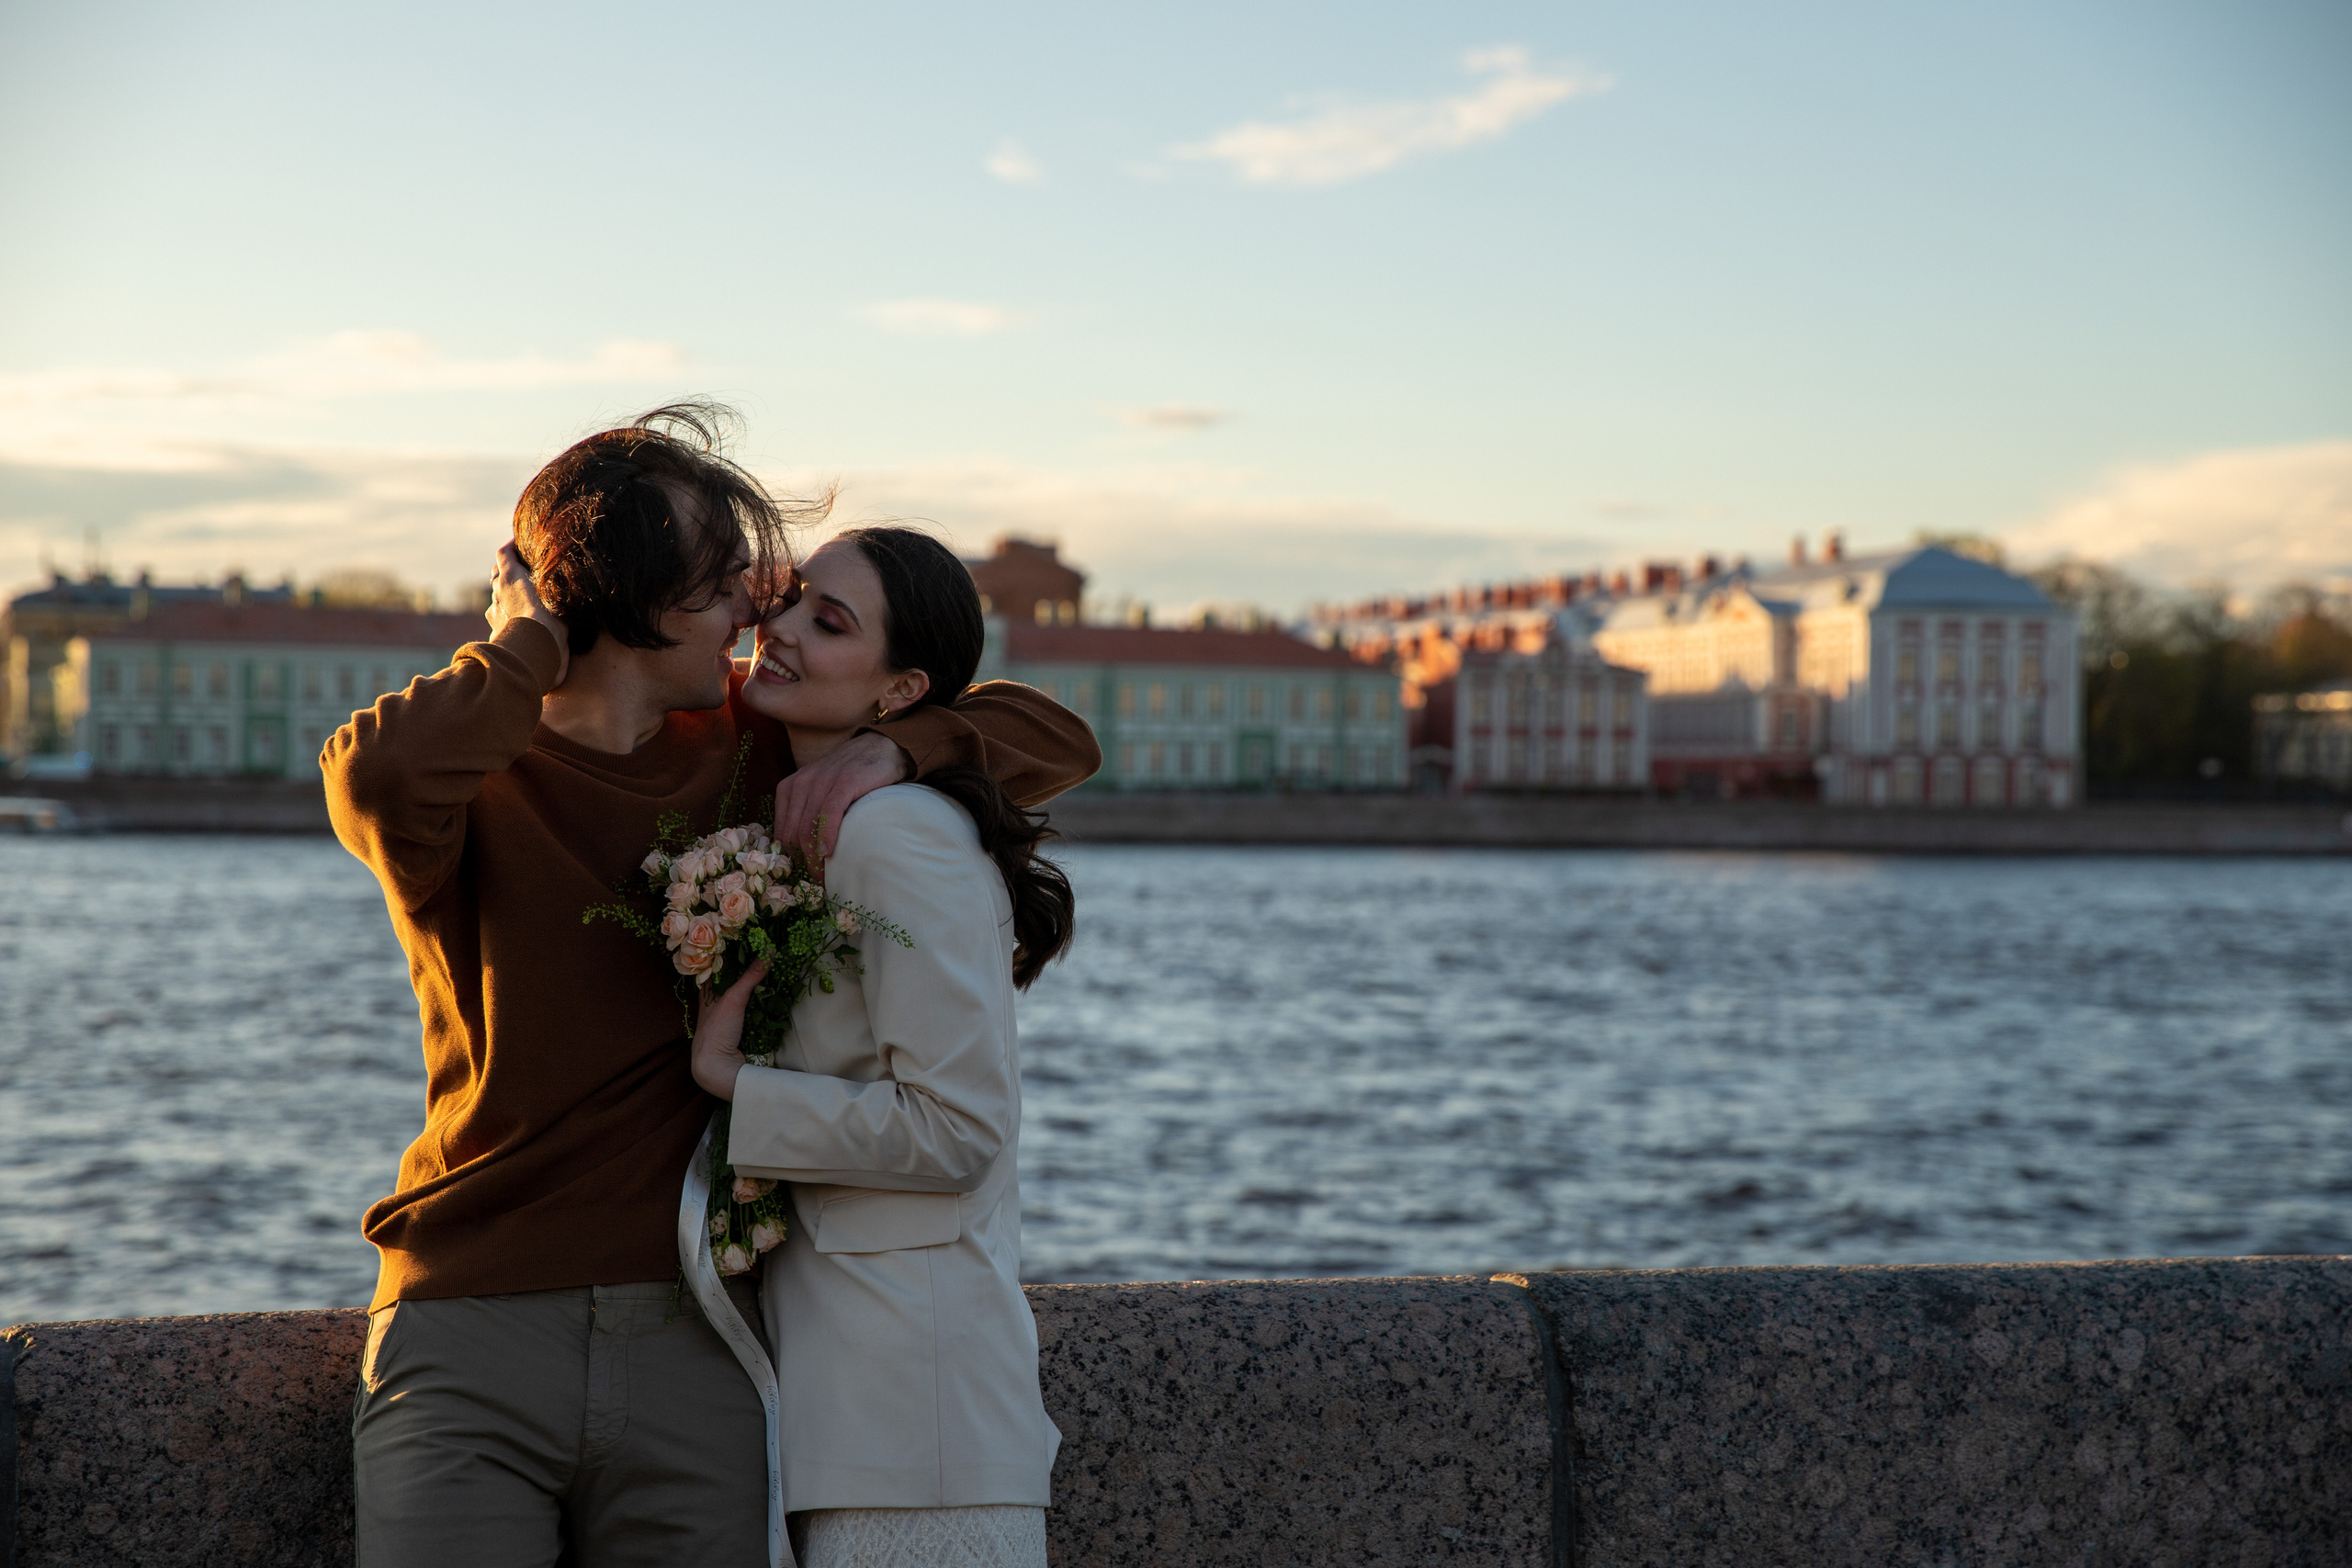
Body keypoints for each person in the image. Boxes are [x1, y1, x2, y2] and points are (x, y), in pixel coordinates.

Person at [328, 407, 1097, 1568]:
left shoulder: (748, 746)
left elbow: (1053, 737)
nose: (752, 605)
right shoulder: (469, 779)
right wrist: (530, 641)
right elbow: (368, 770)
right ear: (623, 596)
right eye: (719, 577)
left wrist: (897, 747)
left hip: (703, 1334)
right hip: (467, 1323)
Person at [687, 526, 1069, 1568]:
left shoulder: (894, 830)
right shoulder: (824, 798)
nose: (783, 629)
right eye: (794, 598)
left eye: (830, 620)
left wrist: (737, 1087)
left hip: (915, 1425)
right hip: (871, 1414)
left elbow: (961, 1129)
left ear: (901, 690)